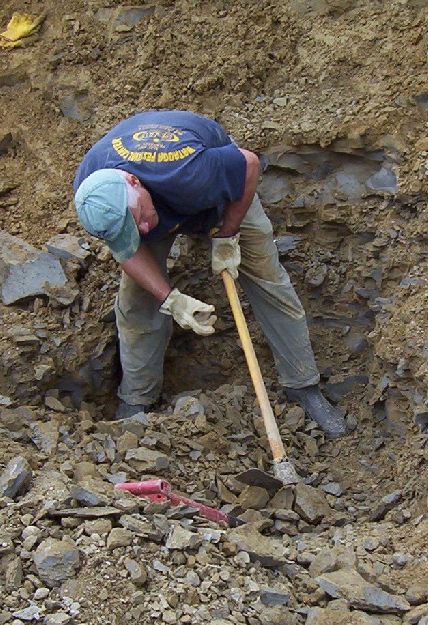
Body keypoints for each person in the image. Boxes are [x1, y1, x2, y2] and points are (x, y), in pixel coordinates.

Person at [72, 110, 347, 438]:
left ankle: (303, 385)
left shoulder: (191, 172)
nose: (144, 229)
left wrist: (228, 235)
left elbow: (249, 165)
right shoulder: (95, 197)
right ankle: (137, 399)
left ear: (133, 181)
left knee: (266, 276)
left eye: (139, 217)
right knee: (137, 305)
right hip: (160, 196)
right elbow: (128, 252)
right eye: (131, 228)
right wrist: (170, 300)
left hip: (215, 193)